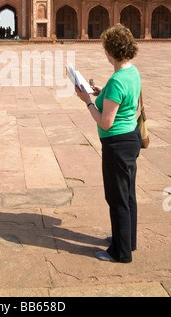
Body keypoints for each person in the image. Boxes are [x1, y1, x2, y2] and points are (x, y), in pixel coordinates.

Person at [75, 24, 142, 263]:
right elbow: (122, 99)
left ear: (110, 51)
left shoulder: (117, 80)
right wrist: (101, 92)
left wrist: (87, 101)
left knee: (117, 198)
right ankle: (128, 241)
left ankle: (120, 252)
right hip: (130, 138)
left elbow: (105, 122)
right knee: (128, 194)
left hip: (117, 144)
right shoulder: (131, 72)